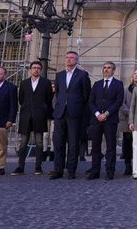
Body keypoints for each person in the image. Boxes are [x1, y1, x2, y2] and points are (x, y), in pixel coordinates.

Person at [50, 51, 91, 180]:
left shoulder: (82, 75)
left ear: (76, 60)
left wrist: (79, 109)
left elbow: (86, 95)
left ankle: (71, 170)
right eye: (67, 57)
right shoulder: (59, 75)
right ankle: (58, 169)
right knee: (58, 143)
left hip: (75, 113)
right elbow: (58, 93)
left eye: (72, 58)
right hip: (60, 113)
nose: (69, 60)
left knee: (73, 143)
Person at [12, 61, 53, 176]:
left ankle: (38, 167)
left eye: (38, 68)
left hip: (40, 116)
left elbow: (48, 99)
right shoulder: (24, 83)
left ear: (40, 70)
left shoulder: (46, 83)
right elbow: (21, 99)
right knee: (23, 142)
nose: (36, 70)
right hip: (26, 116)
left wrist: (45, 111)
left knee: (39, 142)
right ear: (30, 70)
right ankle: (20, 166)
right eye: (34, 68)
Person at [87, 61, 125, 180]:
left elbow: (118, 102)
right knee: (95, 147)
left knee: (111, 147)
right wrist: (98, 114)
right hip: (96, 120)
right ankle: (95, 171)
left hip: (111, 120)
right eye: (104, 67)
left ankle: (110, 171)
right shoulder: (97, 84)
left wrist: (107, 114)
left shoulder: (118, 84)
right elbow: (91, 101)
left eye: (109, 68)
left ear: (113, 70)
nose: (106, 69)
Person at [119, 69, 137, 176]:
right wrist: (129, 112)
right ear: (132, 76)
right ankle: (128, 165)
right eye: (135, 74)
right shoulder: (125, 89)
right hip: (127, 120)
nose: (136, 76)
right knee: (127, 144)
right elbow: (121, 103)